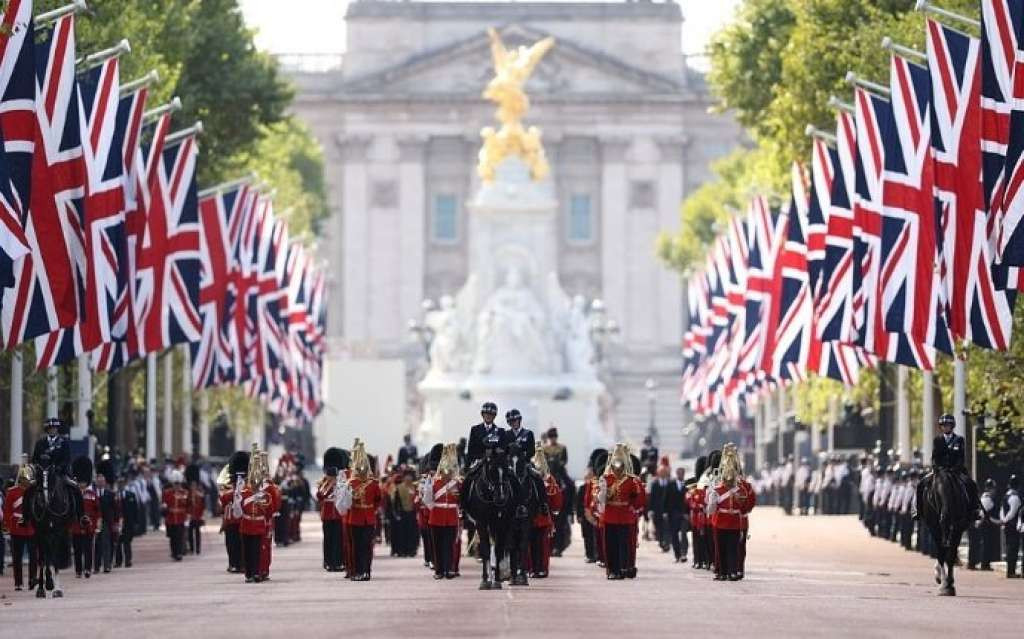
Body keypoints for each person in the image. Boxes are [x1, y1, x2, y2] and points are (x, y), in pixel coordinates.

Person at [706, 443, 756, 581]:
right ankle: (724, 571)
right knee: (722, 548)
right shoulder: (718, 489)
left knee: (734, 548)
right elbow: (711, 508)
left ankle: (733, 570)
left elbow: (746, 506)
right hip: (722, 521)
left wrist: (741, 504)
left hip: (733, 522)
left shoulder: (741, 489)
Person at [599, 444, 645, 579]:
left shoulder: (631, 480)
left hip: (625, 516)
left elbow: (638, 501)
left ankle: (622, 568)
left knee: (623, 544)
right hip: (610, 515)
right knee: (610, 545)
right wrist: (603, 491)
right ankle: (612, 570)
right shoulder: (606, 478)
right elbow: (601, 500)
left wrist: (635, 497)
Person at [239, 445, 280, 583]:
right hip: (246, 524)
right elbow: (238, 511)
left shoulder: (265, 495)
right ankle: (249, 574)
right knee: (247, 551)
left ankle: (257, 573)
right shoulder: (244, 493)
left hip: (258, 525)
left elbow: (270, 510)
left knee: (258, 550)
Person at [345, 441, 381, 581]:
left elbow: (378, 499)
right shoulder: (351, 483)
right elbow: (346, 501)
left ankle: (366, 571)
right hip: (355, 518)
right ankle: (358, 571)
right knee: (357, 547)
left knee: (367, 546)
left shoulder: (373, 483)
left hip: (369, 518)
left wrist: (372, 509)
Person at [426, 443, 461, 579]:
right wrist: (434, 509)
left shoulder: (457, 483)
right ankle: (439, 571)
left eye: (449, 471)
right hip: (436, 517)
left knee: (449, 545)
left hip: (451, 517)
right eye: (445, 471)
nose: (447, 474)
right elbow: (428, 499)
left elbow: (461, 499)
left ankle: (448, 569)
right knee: (438, 545)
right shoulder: (434, 482)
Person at [527, 443, 563, 578]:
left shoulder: (550, 480)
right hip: (530, 516)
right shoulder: (528, 478)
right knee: (530, 544)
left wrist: (554, 509)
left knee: (543, 545)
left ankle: (542, 568)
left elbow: (556, 499)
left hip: (543, 516)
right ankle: (531, 568)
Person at [3, 460, 37, 590]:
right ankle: (18, 582)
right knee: (17, 558)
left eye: (27, 480)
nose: (26, 482)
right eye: (24, 480)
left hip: (31, 528)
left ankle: (32, 580)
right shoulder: (12, 492)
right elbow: (7, 511)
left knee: (34, 557)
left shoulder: (34, 492)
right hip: (17, 528)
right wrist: (8, 524)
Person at [218, 451, 249, 574]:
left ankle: (237, 563)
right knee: (233, 543)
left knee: (235, 542)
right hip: (234, 519)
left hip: (238, 519)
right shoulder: (238, 490)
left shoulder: (234, 491)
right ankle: (236, 563)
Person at [317, 448, 346, 572]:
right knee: (328, 539)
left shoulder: (342, 482)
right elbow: (320, 496)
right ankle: (328, 561)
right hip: (327, 515)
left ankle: (338, 562)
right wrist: (328, 484)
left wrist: (336, 483)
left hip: (338, 514)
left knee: (339, 539)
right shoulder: (324, 482)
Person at [70, 457, 98, 578]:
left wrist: (96, 525)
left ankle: (87, 569)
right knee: (77, 549)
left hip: (89, 525)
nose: (82, 484)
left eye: (83, 482)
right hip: (76, 525)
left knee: (88, 549)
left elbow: (97, 511)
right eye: (80, 482)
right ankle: (78, 570)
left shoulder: (92, 495)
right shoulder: (73, 495)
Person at [390, 468, 419, 558]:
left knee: (412, 533)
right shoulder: (399, 488)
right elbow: (395, 502)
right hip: (402, 513)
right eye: (407, 476)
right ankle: (402, 550)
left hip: (412, 513)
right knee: (402, 533)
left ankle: (412, 550)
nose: (408, 478)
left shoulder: (415, 487)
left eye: (410, 476)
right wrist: (396, 514)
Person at [465, 402, 503, 469]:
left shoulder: (500, 431)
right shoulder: (475, 429)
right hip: (478, 463)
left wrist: (493, 451)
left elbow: (501, 449)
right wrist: (466, 467)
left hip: (494, 464)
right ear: (482, 414)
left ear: (494, 416)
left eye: (491, 414)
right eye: (486, 413)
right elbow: (470, 450)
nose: (488, 416)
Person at [93, 471, 117, 574]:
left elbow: (115, 509)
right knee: (96, 545)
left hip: (106, 522)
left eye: (102, 481)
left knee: (106, 544)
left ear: (105, 482)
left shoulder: (110, 494)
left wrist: (115, 522)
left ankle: (107, 565)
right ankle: (96, 566)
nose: (100, 483)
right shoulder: (92, 494)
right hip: (95, 523)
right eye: (98, 481)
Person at [162, 470, 189, 561]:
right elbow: (164, 504)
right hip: (170, 518)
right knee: (172, 537)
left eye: (178, 484)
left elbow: (187, 505)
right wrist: (165, 508)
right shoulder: (167, 493)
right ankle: (174, 552)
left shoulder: (184, 493)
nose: (176, 486)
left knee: (180, 536)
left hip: (181, 518)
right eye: (175, 484)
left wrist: (188, 515)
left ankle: (179, 553)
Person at [997, 474, 1020, 578]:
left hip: (1007, 525)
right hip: (1013, 525)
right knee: (1013, 548)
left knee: (1009, 547)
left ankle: (1010, 570)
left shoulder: (1006, 495)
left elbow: (1002, 510)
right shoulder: (1015, 497)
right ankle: (1011, 571)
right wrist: (1005, 520)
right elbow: (1013, 512)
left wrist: (1003, 520)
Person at [666, 467, 689, 563]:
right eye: (679, 473)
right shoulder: (670, 484)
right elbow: (666, 498)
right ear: (676, 474)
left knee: (683, 533)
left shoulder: (687, 485)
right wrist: (665, 512)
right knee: (674, 535)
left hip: (684, 514)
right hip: (673, 513)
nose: (681, 475)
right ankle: (677, 554)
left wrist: (687, 513)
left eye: (682, 473)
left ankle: (684, 553)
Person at [115, 476, 139, 568]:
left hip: (128, 523)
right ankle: (118, 561)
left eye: (122, 483)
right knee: (117, 543)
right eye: (119, 483)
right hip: (118, 523)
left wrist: (136, 522)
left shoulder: (131, 495)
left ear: (125, 484)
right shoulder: (114, 495)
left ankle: (128, 560)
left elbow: (135, 509)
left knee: (127, 542)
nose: (120, 485)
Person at [503, 409, 535, 476]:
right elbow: (504, 451)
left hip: (525, 462)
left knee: (538, 477)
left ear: (519, 420)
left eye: (515, 420)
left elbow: (532, 450)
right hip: (510, 464)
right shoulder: (506, 434)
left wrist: (524, 456)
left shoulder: (529, 433)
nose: (513, 423)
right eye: (511, 421)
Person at [647, 465, 671, 552]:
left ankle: (667, 543)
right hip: (657, 510)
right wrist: (650, 510)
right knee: (658, 527)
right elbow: (651, 498)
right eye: (661, 472)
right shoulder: (655, 484)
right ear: (658, 473)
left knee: (667, 527)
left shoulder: (670, 483)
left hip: (667, 510)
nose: (663, 474)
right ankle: (661, 542)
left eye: (665, 472)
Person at [185, 465, 205, 555]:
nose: (193, 487)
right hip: (190, 516)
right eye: (192, 485)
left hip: (197, 515)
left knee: (197, 532)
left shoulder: (199, 495)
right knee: (190, 533)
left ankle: (198, 548)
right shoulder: (187, 494)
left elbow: (202, 506)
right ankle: (192, 548)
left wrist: (202, 515)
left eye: (194, 485)